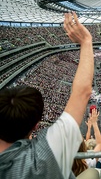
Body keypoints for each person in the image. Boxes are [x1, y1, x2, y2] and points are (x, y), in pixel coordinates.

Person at [0, 12, 94, 178]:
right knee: (92, 174)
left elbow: (82, 93)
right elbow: (82, 92)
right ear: (36, 125)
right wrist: (86, 42)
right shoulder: (45, 153)